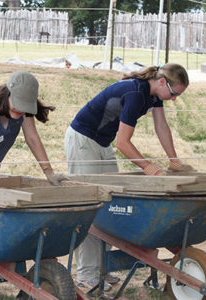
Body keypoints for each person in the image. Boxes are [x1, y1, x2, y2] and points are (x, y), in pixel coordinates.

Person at [64, 62, 193, 290]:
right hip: (82, 140)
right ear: (162, 82)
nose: (173, 99)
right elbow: (123, 142)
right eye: (174, 94)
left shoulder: (155, 95)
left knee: (110, 203)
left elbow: (162, 127)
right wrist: (147, 166)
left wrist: (174, 160)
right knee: (91, 205)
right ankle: (87, 275)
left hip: (102, 142)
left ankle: (101, 268)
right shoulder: (135, 93)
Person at [0, 70, 66, 186]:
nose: (20, 110)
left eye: (25, 106)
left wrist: (49, 172)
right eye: (18, 104)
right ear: (8, 94)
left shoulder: (23, 114)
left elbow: (32, 138)